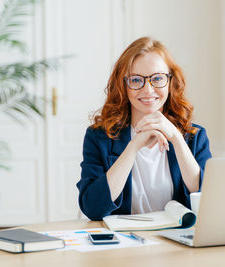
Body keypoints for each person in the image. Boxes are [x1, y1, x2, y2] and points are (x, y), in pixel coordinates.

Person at [77, 37, 212, 221]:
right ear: (123, 85)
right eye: (136, 80)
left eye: (157, 78)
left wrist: (177, 139)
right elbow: (93, 208)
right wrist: (133, 147)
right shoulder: (99, 137)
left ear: (171, 81)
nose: (148, 90)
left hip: (177, 242)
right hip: (124, 245)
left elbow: (208, 202)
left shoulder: (194, 137)